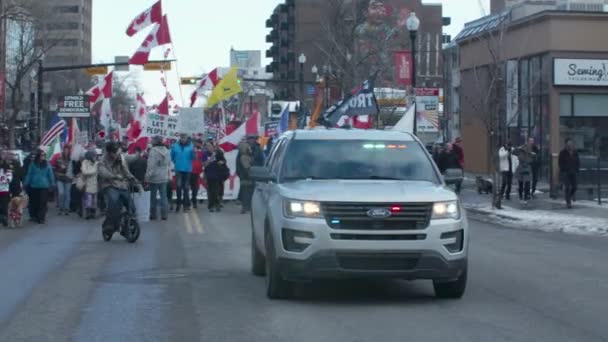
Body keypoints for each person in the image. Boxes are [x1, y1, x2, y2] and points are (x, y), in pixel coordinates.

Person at [98, 142, 140, 234]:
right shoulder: (102, 160)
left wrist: (133, 180)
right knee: (114, 201)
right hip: (109, 185)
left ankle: (128, 222)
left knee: (130, 203)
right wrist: (114, 176)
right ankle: (109, 224)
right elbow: (102, 172)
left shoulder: (121, 158)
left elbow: (126, 171)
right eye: (113, 152)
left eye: (116, 152)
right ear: (109, 153)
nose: (115, 154)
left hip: (121, 185)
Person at [24, 149, 56, 224]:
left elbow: (50, 174)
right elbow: (29, 174)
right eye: (42, 155)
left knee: (43, 202)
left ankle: (41, 218)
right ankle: (34, 216)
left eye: (44, 155)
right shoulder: (33, 164)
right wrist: (26, 183)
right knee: (35, 202)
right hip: (34, 185)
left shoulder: (47, 164)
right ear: (38, 156)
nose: (43, 157)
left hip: (44, 186)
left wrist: (53, 183)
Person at [146, 136, 171, 220]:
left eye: (153, 139)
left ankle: (153, 214)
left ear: (156, 141)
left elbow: (151, 166)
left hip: (154, 177)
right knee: (164, 196)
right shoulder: (167, 151)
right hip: (163, 176)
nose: (151, 140)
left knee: (153, 197)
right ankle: (164, 214)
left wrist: (147, 177)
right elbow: (168, 163)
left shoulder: (153, 151)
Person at [171, 134, 194, 212]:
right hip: (178, 169)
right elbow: (172, 156)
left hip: (187, 169)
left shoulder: (191, 146)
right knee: (178, 187)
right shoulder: (175, 146)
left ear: (187, 138)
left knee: (186, 188)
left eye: (184, 137)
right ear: (180, 138)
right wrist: (176, 162)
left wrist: (194, 153)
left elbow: (193, 158)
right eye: (182, 137)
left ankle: (185, 205)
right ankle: (178, 204)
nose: (183, 139)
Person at [559, 138, 580, 209]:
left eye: (571, 144)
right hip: (566, 172)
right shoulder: (562, 152)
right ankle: (568, 202)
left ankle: (569, 197)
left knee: (575, 187)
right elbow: (560, 162)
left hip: (573, 171)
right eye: (568, 144)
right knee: (567, 187)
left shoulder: (575, 152)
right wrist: (563, 170)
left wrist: (577, 169)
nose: (570, 145)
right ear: (566, 144)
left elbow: (578, 161)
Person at [53, 145, 73, 215]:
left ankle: (66, 208)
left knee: (67, 194)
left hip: (68, 178)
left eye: (68, 150)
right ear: (63, 150)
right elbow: (55, 168)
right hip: (60, 178)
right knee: (61, 193)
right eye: (65, 150)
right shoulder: (59, 158)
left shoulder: (71, 159)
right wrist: (61, 168)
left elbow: (73, 169)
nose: (66, 151)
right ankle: (61, 207)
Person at [80, 150, 99, 219]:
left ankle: (93, 213)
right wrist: (93, 170)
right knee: (88, 200)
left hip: (95, 184)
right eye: (94, 156)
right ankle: (87, 213)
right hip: (87, 184)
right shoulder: (85, 162)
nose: (95, 157)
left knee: (94, 201)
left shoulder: (97, 163)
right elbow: (84, 172)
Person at [237, 142, 254, 214]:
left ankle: (246, 207)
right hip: (246, 177)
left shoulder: (243, 156)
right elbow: (247, 167)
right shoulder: (244, 157)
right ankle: (245, 207)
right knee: (247, 193)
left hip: (244, 177)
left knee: (246, 192)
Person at [191, 140, 204, 209]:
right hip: (188, 171)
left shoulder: (201, 152)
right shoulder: (190, 151)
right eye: (196, 143)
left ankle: (194, 202)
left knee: (195, 189)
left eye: (198, 143)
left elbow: (203, 161)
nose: (196, 144)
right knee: (186, 188)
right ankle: (186, 202)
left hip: (196, 172)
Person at [0, 151, 13, 226]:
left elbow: (10, 177)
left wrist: (5, 180)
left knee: (4, 205)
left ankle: (4, 218)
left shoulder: (7, 166)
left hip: (4, 189)